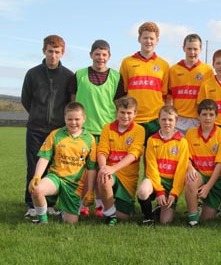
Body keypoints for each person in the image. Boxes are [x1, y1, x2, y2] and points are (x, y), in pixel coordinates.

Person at [69, 39, 126, 217]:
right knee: (82, 170)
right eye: (97, 54)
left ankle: (101, 205)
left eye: (104, 54)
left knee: (103, 170)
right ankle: (81, 204)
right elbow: (73, 102)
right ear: (91, 55)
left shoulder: (116, 77)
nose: (100, 58)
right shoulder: (79, 75)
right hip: (83, 131)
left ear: (109, 56)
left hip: (106, 131)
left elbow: (119, 105)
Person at [21, 35, 73, 218]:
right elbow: (26, 100)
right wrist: (38, 115)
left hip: (57, 131)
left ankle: (49, 204)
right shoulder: (32, 74)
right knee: (34, 167)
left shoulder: (68, 76)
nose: (53, 55)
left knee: (55, 167)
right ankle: (31, 204)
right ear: (44, 51)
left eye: (57, 52)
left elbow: (70, 103)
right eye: (50, 51)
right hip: (36, 129)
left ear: (62, 53)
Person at [28, 102, 97, 224]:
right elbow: (44, 157)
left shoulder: (89, 139)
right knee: (37, 190)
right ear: (64, 118)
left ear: (84, 119)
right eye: (69, 119)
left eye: (77, 119)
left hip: (74, 185)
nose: (73, 122)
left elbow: (91, 168)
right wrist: (37, 175)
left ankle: (63, 212)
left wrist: (90, 191)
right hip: (56, 177)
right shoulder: (56, 134)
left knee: (71, 223)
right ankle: (42, 221)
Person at [96, 96, 145, 226]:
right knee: (105, 178)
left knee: (123, 217)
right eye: (122, 112)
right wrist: (103, 168)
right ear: (116, 112)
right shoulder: (107, 128)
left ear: (135, 114)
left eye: (129, 113)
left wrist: (112, 168)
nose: (125, 116)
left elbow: (133, 155)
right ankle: (110, 215)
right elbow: (102, 151)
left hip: (128, 179)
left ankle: (119, 207)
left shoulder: (139, 130)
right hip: (112, 174)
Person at [137, 106, 189, 225]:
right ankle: (148, 218)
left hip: (171, 184)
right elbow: (151, 167)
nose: (167, 123)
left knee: (165, 222)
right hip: (155, 179)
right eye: (164, 119)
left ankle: (160, 209)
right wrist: (159, 191)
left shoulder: (182, 142)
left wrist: (174, 193)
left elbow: (181, 170)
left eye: (170, 120)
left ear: (176, 121)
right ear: (159, 120)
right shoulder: (152, 140)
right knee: (143, 191)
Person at [120, 21, 170, 141]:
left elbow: (165, 95)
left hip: (155, 119)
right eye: (145, 38)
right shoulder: (127, 62)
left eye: (152, 38)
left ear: (157, 40)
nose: (148, 41)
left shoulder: (164, 65)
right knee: (131, 156)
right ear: (139, 39)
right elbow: (123, 92)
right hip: (133, 118)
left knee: (154, 157)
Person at [184, 99, 221, 227]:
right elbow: (186, 157)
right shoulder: (190, 133)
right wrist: (190, 168)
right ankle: (193, 219)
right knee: (190, 180)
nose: (207, 118)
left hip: (216, 180)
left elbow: (220, 164)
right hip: (200, 175)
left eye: (211, 115)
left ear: (216, 117)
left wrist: (208, 187)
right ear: (198, 116)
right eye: (204, 114)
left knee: (207, 219)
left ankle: (209, 204)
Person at [168, 34, 213, 135]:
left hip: (198, 119)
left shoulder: (207, 70)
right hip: (179, 119)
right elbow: (169, 98)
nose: (192, 52)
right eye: (189, 49)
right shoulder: (173, 70)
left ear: (200, 49)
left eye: (195, 49)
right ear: (184, 48)